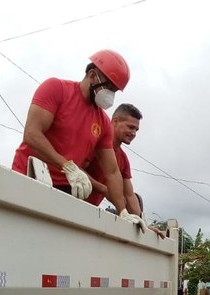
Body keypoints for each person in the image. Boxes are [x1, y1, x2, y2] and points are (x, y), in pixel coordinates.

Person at [10, 50, 142, 226]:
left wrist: (123, 211)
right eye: (109, 88)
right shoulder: (56, 89)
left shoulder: (102, 121)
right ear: (92, 75)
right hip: (29, 176)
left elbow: (112, 171)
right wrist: (68, 166)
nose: (111, 95)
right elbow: (32, 134)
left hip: (68, 189)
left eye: (115, 91)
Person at [86, 103, 143, 215]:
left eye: (136, 130)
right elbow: (75, 169)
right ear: (115, 121)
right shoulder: (94, 141)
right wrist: (105, 190)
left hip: (90, 213)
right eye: (130, 127)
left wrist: (143, 225)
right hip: (66, 201)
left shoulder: (123, 159)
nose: (133, 133)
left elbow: (129, 196)